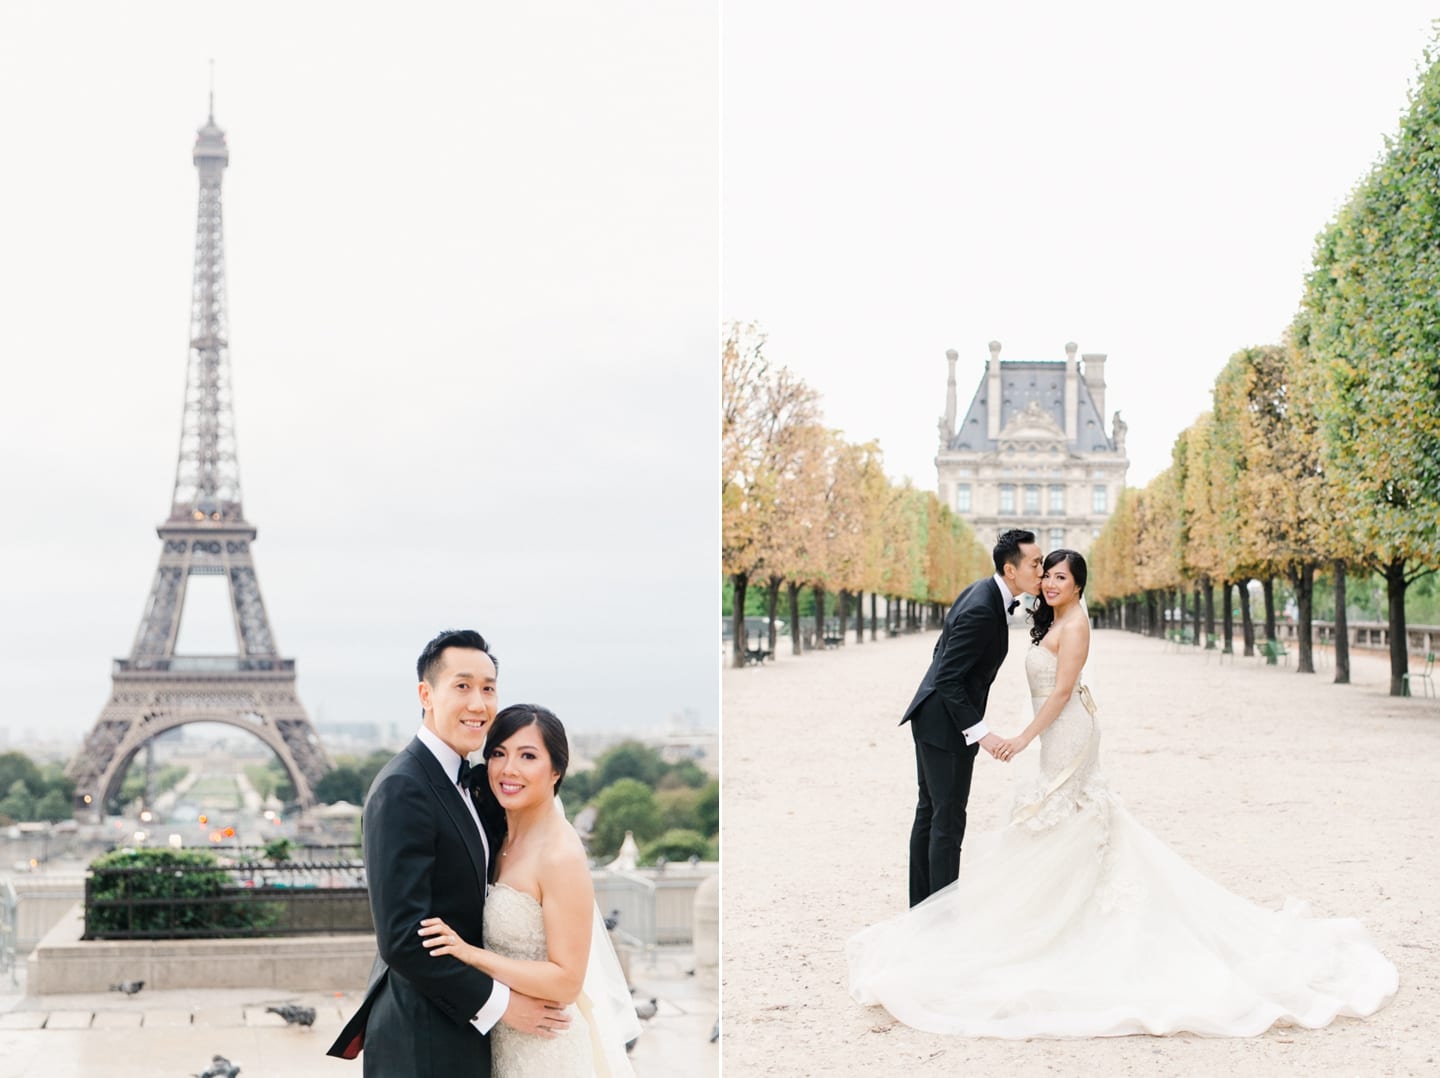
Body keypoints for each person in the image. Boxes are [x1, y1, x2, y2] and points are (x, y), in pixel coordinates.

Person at [848, 551, 1398, 1037]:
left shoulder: (1075, 622)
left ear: (1079, 585)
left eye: (1058, 574)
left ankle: (1013, 924)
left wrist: (1015, 738)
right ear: (1015, 569)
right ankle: (973, 918)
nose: (1047, 579)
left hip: (1064, 731)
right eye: (1043, 570)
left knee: (1062, 816)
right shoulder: (1024, 610)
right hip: (1030, 729)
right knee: (1008, 820)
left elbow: (1062, 691)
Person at [327, 630, 569, 1076]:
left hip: (460, 1029)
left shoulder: (472, 782)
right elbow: (402, 937)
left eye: (488, 688)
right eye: (462, 686)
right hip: (422, 1036)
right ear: (426, 694)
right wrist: (502, 1006)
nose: (478, 703)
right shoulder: (404, 787)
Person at [419, 704, 639, 1077]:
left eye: (528, 756)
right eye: (499, 754)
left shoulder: (560, 855)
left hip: (548, 1053)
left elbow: (567, 981)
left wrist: (470, 955)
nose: (509, 770)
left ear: (556, 771)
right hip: (503, 1042)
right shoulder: (498, 838)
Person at [901, 528, 1043, 905]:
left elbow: (941, 652)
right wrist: (982, 733)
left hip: (933, 715)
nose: (1041, 571)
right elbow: (948, 674)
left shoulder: (980, 592)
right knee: (947, 821)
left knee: (931, 812)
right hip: (944, 722)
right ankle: (939, 917)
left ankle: (923, 910)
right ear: (1011, 570)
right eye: (1036, 563)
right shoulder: (983, 607)